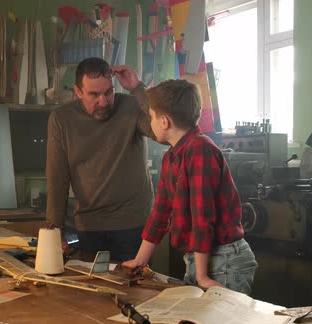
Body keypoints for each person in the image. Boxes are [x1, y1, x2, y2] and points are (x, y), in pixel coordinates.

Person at [122, 79, 258, 294]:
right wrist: (140, 260)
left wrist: (202, 276)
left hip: (224, 261)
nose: (151, 122)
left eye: (152, 117)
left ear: (164, 121)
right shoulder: (172, 157)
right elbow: (160, 213)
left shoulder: (200, 150)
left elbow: (202, 217)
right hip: (199, 257)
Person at [46, 57, 155, 262]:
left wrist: (137, 88)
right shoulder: (61, 119)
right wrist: (54, 230)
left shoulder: (131, 106)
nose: (103, 102)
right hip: (90, 227)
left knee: (136, 292)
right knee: (93, 291)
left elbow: (162, 133)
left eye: (108, 92)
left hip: (133, 224)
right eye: (94, 95)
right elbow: (57, 179)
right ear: (78, 92)